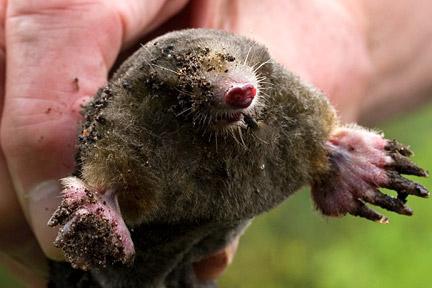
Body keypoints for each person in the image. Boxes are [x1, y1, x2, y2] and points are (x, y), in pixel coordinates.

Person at [1, 0, 431, 286]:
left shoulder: (291, 109)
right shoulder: (128, 138)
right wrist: (97, 208)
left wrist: (345, 23)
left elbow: (320, 135)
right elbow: (102, 178)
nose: (238, 92)